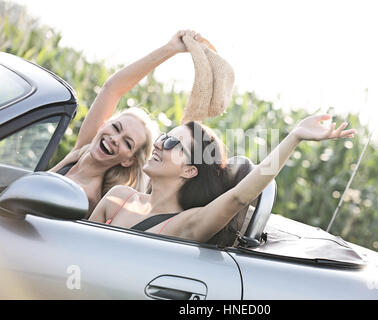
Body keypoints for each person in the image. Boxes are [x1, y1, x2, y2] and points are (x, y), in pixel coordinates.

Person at [89, 114, 356, 243]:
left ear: (190, 170)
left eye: (172, 143)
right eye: (162, 137)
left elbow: (240, 196)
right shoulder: (117, 199)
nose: (159, 144)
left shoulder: (186, 224)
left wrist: (295, 136)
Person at [49, 30, 203, 213]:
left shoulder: (88, 197)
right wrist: (171, 48)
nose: (115, 138)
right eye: (115, 127)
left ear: (128, 161)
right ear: (102, 125)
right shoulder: (79, 153)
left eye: (127, 143)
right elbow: (112, 88)